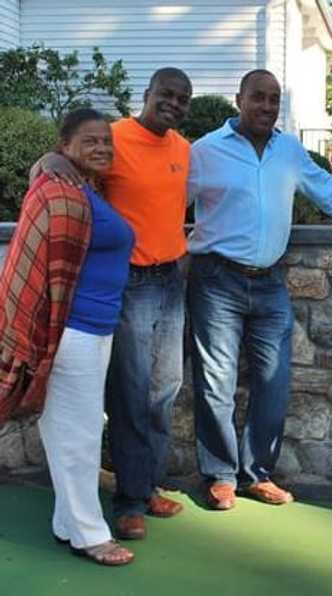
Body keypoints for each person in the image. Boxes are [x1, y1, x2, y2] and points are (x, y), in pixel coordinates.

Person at [187, 69, 332, 510]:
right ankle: (219, 476)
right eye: (259, 97)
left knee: (274, 381)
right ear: (239, 99)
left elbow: (328, 191)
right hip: (216, 279)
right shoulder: (205, 152)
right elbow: (166, 197)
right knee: (216, 381)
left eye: (274, 99)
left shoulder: (288, 151)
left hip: (270, 281)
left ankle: (257, 473)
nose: (267, 107)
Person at [34, 68, 193, 540]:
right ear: (147, 95)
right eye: (166, 95)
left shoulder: (184, 148)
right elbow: (64, 163)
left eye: (183, 98)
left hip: (172, 281)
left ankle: (144, 487)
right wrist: (47, 158)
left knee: (164, 390)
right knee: (130, 394)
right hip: (133, 284)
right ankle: (126, 500)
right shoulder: (116, 137)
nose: (175, 104)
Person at [0, 109, 135, 565]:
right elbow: (37, 263)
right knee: (75, 435)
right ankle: (90, 535)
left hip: (95, 330)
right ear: (65, 145)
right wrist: (46, 162)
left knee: (70, 429)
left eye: (106, 142)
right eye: (90, 141)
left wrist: (48, 160)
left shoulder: (83, 186)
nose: (101, 148)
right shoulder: (59, 189)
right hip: (71, 331)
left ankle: (66, 523)